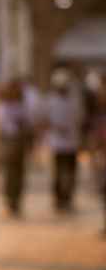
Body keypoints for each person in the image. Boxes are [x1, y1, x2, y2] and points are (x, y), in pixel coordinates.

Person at [43, 67, 84, 211]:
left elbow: (79, 119)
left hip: (71, 143)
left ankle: (68, 198)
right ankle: (59, 199)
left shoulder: (74, 101)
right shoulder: (50, 101)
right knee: (58, 173)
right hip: (57, 144)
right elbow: (46, 120)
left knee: (70, 173)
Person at [0, 79, 33, 216]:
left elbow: (27, 124)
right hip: (9, 141)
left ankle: (17, 200)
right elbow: (1, 127)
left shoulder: (22, 106)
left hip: (20, 142)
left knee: (19, 172)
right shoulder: (3, 107)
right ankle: (10, 200)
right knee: (9, 173)